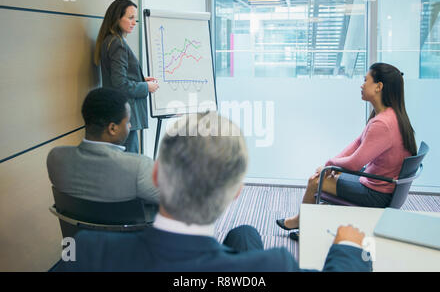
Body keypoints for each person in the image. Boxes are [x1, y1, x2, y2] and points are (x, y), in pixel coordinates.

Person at [51, 112, 372, 272]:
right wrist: (348, 247)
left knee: (244, 234)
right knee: (244, 237)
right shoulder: (273, 265)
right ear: (236, 193)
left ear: (157, 174)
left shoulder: (87, 252)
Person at [277, 63, 417, 240]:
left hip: (376, 193)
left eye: (366, 80)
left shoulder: (382, 123)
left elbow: (355, 164)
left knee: (315, 181)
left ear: (379, 87)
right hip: (380, 184)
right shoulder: (388, 115)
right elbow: (358, 142)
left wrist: (329, 165)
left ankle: (302, 225)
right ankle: (304, 221)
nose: (362, 84)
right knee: (325, 175)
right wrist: (333, 163)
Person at [47, 88, 159, 221]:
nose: (129, 126)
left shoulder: (56, 158)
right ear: (113, 128)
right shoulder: (139, 167)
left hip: (81, 239)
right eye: (127, 121)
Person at [94, 0, 159, 153]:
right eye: (130, 18)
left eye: (134, 18)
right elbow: (120, 85)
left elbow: (116, 77)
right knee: (131, 165)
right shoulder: (117, 44)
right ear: (117, 18)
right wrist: (146, 87)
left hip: (116, 113)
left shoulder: (109, 41)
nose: (134, 22)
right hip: (124, 115)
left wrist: (141, 79)